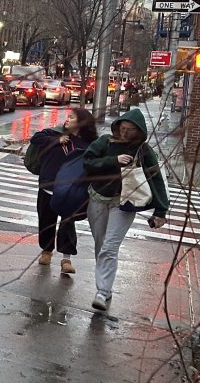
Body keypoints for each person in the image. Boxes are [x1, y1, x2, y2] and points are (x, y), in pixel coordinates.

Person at [82, 108, 169, 312]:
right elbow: (87, 162)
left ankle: (102, 291)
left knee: (110, 247)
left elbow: (155, 179)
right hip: (97, 199)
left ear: (139, 131)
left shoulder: (143, 151)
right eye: (122, 128)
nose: (125, 133)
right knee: (101, 244)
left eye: (130, 130)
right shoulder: (105, 142)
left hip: (125, 203)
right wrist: (113, 160)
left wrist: (161, 211)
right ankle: (106, 285)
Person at [30, 108, 98, 274]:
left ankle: (66, 258)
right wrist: (56, 140)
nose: (67, 119)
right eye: (68, 116)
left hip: (71, 192)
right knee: (46, 221)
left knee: (68, 223)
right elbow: (35, 138)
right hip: (47, 186)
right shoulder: (54, 133)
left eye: (72, 117)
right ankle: (46, 252)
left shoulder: (89, 145)